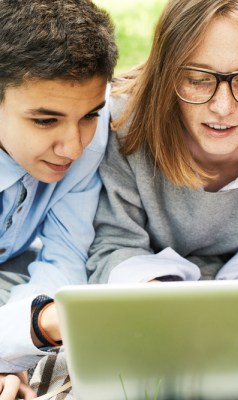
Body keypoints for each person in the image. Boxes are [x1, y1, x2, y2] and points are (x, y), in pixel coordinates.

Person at [87, 0, 238, 288]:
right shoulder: (121, 123)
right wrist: (159, 297)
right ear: (165, 76)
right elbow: (113, 244)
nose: (222, 107)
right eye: (198, 79)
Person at [0, 0, 118, 398]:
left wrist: (21, 339)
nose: (73, 147)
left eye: (90, 114)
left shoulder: (91, 140)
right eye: (45, 120)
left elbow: (65, 258)